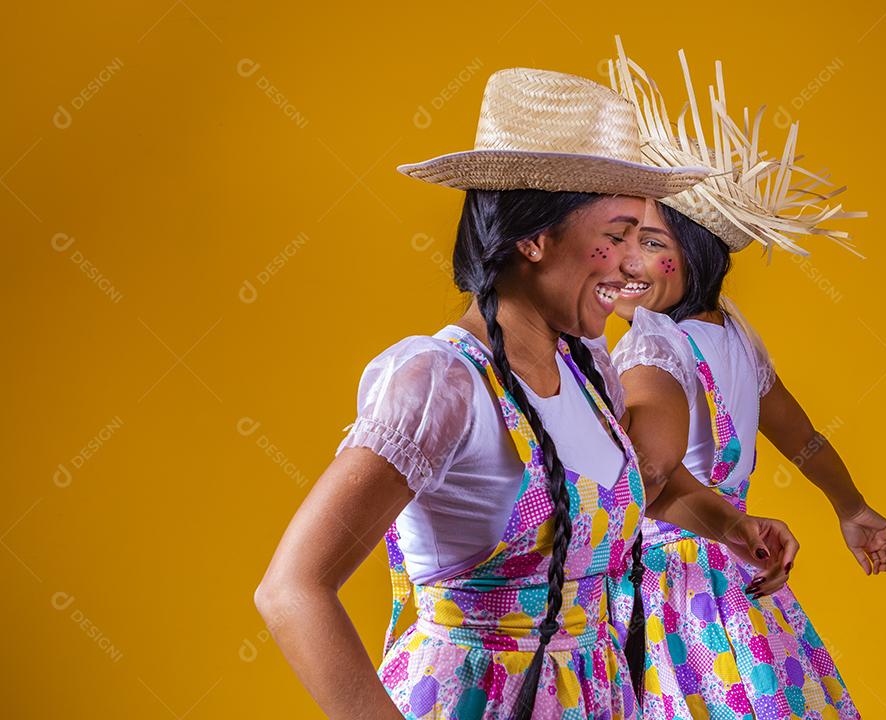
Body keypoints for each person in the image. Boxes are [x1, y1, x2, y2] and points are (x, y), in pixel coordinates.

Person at [254, 66, 797, 719]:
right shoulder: (443, 383)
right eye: (617, 235)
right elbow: (293, 590)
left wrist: (730, 525)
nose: (637, 266)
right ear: (534, 238)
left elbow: (637, 488)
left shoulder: (588, 366)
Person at [603, 39, 886, 719]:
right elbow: (806, 442)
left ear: (696, 256)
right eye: (623, 239)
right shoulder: (732, 334)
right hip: (736, 586)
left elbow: (641, 472)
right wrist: (851, 507)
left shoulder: (653, 348)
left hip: (668, 596)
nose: (626, 259)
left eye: (653, 244)